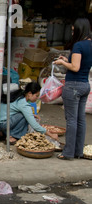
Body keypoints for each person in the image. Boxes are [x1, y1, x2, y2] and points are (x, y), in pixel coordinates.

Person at [53, 18, 92, 160]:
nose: (72, 31)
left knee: (71, 120)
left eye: (74, 29)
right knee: (81, 119)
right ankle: (78, 151)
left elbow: (75, 67)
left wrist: (63, 62)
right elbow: (81, 64)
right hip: (84, 85)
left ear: (79, 30)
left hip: (73, 85)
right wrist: (67, 60)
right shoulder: (90, 44)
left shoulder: (78, 45)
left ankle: (68, 152)